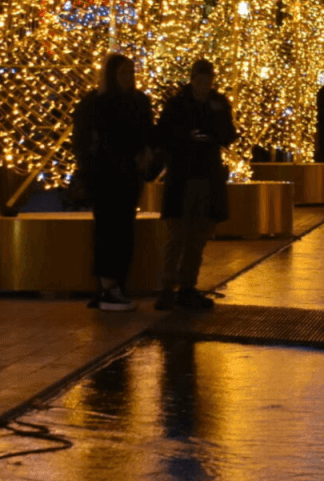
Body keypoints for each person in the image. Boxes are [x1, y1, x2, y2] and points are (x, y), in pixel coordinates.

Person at [73, 53, 155, 311]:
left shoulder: (137, 101)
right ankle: (109, 287)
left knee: (123, 230)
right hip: (107, 177)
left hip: (128, 176)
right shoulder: (98, 103)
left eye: (131, 72)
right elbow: (86, 142)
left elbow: (146, 134)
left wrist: (145, 156)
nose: (129, 78)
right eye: (123, 73)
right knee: (109, 230)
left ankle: (116, 284)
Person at [156, 59, 237, 311]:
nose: (203, 86)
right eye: (199, 81)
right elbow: (164, 134)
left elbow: (229, 134)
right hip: (183, 175)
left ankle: (187, 286)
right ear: (192, 79)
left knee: (197, 235)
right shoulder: (178, 103)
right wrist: (186, 138)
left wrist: (213, 133)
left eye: (207, 81)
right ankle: (168, 287)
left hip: (206, 174)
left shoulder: (218, 103)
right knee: (178, 234)